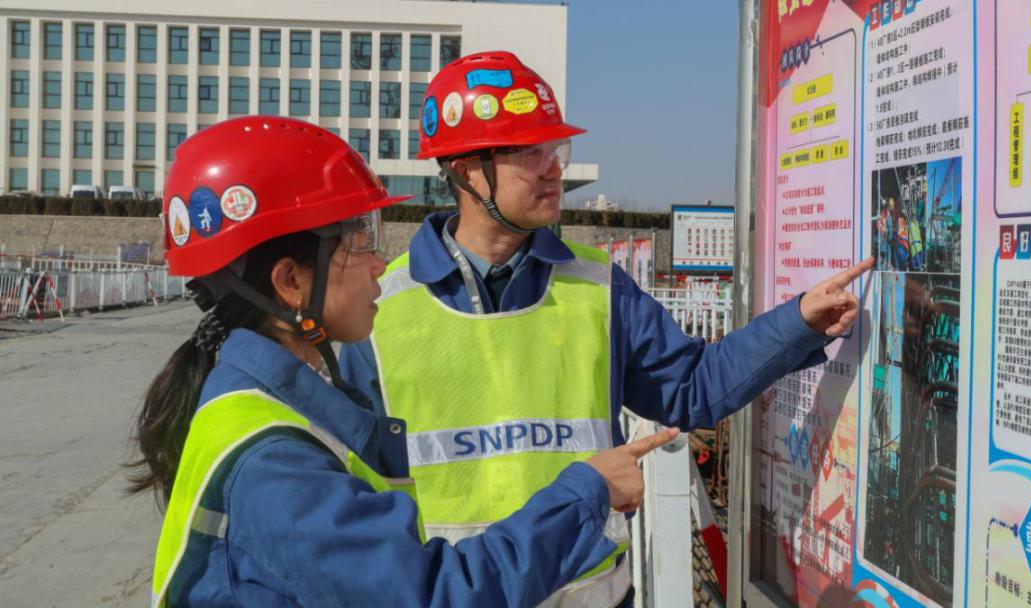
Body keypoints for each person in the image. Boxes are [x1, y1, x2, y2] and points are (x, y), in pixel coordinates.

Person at [339, 50, 874, 606]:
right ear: (465, 169)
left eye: (556, 150)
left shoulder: (599, 287)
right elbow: (350, 495)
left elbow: (692, 387)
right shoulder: (381, 311)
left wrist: (798, 322)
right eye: (529, 152)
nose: (554, 168)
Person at [128, 116, 679, 607]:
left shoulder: (279, 404)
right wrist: (586, 492)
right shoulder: (274, 463)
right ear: (290, 281)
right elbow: (432, 594)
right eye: (357, 240)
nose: (379, 263)